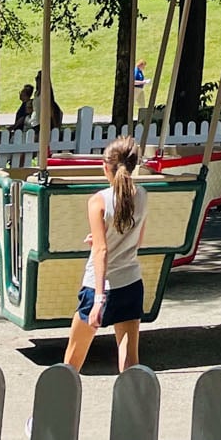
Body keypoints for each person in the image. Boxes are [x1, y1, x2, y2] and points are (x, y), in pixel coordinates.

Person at [63, 138, 147, 376]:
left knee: (73, 359)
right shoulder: (142, 195)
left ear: (105, 167)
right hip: (130, 282)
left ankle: (58, 399)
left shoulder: (98, 201)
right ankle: (133, 401)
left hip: (97, 286)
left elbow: (101, 251)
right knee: (129, 362)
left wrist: (99, 300)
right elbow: (137, 241)